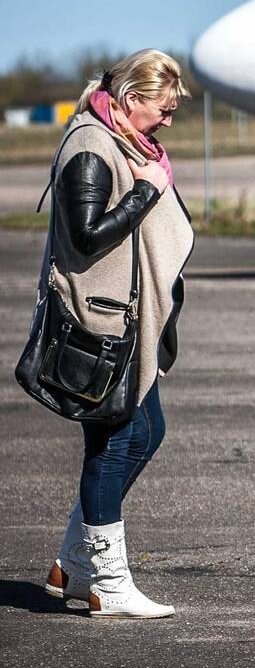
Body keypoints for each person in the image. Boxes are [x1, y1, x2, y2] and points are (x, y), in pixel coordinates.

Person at [42, 49, 195, 618]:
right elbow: (84, 239)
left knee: (146, 431)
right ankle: (107, 580)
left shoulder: (123, 139)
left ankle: (74, 564)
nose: (169, 119)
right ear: (131, 100)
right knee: (114, 445)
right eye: (164, 107)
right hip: (100, 326)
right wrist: (145, 192)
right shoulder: (90, 147)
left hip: (131, 322)